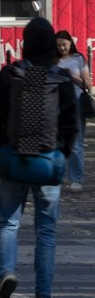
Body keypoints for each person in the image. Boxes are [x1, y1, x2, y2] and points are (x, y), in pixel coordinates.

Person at [0, 16, 80, 298]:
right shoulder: (61, 78)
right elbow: (71, 124)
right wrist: (61, 156)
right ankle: (43, 296)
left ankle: (7, 273)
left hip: (15, 158)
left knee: (8, 222)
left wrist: (0, 149)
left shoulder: (9, 74)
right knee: (46, 230)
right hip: (47, 161)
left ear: (25, 45)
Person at [55, 29, 89, 190]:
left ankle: (76, 178)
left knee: (76, 143)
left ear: (71, 44)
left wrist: (70, 75)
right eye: (59, 45)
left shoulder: (78, 59)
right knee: (58, 141)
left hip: (76, 103)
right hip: (57, 104)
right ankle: (58, 176)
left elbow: (86, 84)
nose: (62, 48)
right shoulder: (53, 61)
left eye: (65, 44)